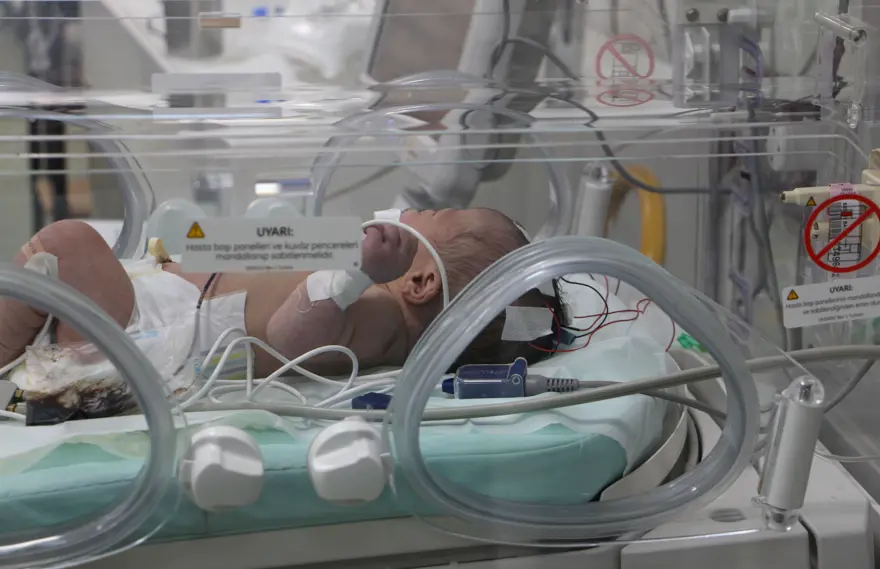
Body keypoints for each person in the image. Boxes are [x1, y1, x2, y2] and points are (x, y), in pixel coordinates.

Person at [0, 208, 568, 422]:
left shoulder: (382, 315)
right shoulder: (378, 299)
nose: (413, 210)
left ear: (420, 282)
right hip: (159, 304)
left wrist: (352, 275)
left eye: (434, 215)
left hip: (147, 340)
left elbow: (290, 337)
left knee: (65, 244)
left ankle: (32, 360)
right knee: (65, 264)